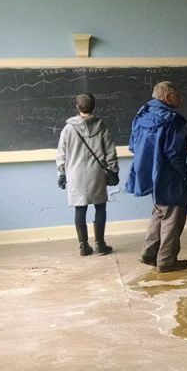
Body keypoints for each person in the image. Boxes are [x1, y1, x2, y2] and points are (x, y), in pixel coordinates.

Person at [126, 81, 187, 273]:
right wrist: (183, 174)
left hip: (148, 173)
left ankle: (149, 252)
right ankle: (166, 260)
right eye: (177, 95)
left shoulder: (142, 115)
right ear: (168, 97)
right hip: (169, 174)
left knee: (159, 211)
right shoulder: (173, 120)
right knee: (173, 215)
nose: (180, 99)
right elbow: (174, 153)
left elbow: (132, 146)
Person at [56, 93, 119, 256]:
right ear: (94, 107)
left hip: (75, 174)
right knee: (100, 207)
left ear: (77, 107)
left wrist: (61, 173)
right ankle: (100, 244)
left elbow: (61, 154)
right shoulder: (102, 126)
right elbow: (110, 151)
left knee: (80, 210)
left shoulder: (68, 129)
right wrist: (113, 170)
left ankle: (83, 246)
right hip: (96, 173)